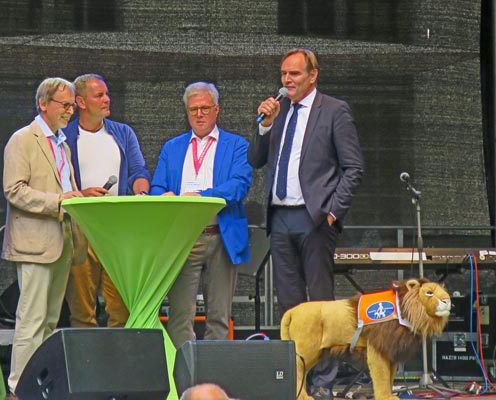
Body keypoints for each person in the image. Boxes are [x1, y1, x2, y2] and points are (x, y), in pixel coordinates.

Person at [248, 48, 364, 399]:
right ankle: (294, 380)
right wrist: (265, 124)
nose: (287, 80)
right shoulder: (278, 112)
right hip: (281, 216)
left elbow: (353, 167)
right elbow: (256, 159)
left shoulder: (333, 110)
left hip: (314, 218)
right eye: (284, 74)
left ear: (313, 75)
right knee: (291, 305)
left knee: (321, 303)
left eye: (295, 74)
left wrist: (332, 211)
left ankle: (323, 384)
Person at [150, 81, 251, 348]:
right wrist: (163, 196)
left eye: (205, 108)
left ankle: (214, 380)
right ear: (186, 112)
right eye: (193, 109)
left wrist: (203, 196)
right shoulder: (172, 147)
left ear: (217, 110)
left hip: (221, 235)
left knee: (219, 316)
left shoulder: (236, 145)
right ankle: (185, 379)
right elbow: (157, 186)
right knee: (180, 316)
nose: (199, 114)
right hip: (183, 238)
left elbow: (240, 183)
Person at [2, 77, 83, 394]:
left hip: (62, 240)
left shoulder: (61, 141)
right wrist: (61, 202)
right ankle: (19, 388)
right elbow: (14, 190)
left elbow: (62, 189)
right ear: (43, 104)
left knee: (50, 321)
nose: (70, 111)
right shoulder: (23, 139)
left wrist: (79, 194)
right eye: (65, 105)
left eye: (73, 105)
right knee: (32, 320)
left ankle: (42, 384)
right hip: (35, 243)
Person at [63, 73, 150, 328]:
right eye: (99, 95)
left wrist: (141, 193)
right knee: (81, 311)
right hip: (81, 228)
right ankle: (86, 366)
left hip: (118, 229)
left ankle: (118, 365)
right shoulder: (65, 135)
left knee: (121, 310)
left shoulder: (123, 133)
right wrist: (82, 194)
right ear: (80, 101)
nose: (106, 99)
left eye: (107, 94)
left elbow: (139, 171)